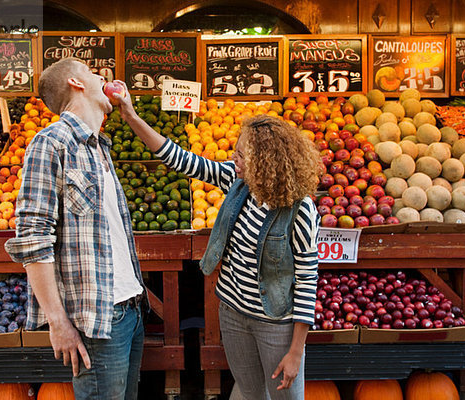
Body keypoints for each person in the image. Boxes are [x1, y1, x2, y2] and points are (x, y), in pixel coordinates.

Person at [113, 81, 321, 400]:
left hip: (275, 322)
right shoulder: (237, 183)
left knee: (285, 397)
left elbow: (307, 280)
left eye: (241, 156)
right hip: (234, 313)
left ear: (266, 163)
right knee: (251, 393)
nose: (233, 159)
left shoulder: (300, 210)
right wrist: (129, 114)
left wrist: (296, 351)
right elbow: (178, 158)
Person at [4, 58, 146, 400]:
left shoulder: (100, 147)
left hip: (130, 309)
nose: (104, 78)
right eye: (95, 74)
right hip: (97, 319)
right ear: (76, 83)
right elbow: (33, 238)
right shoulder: (50, 143)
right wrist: (57, 322)